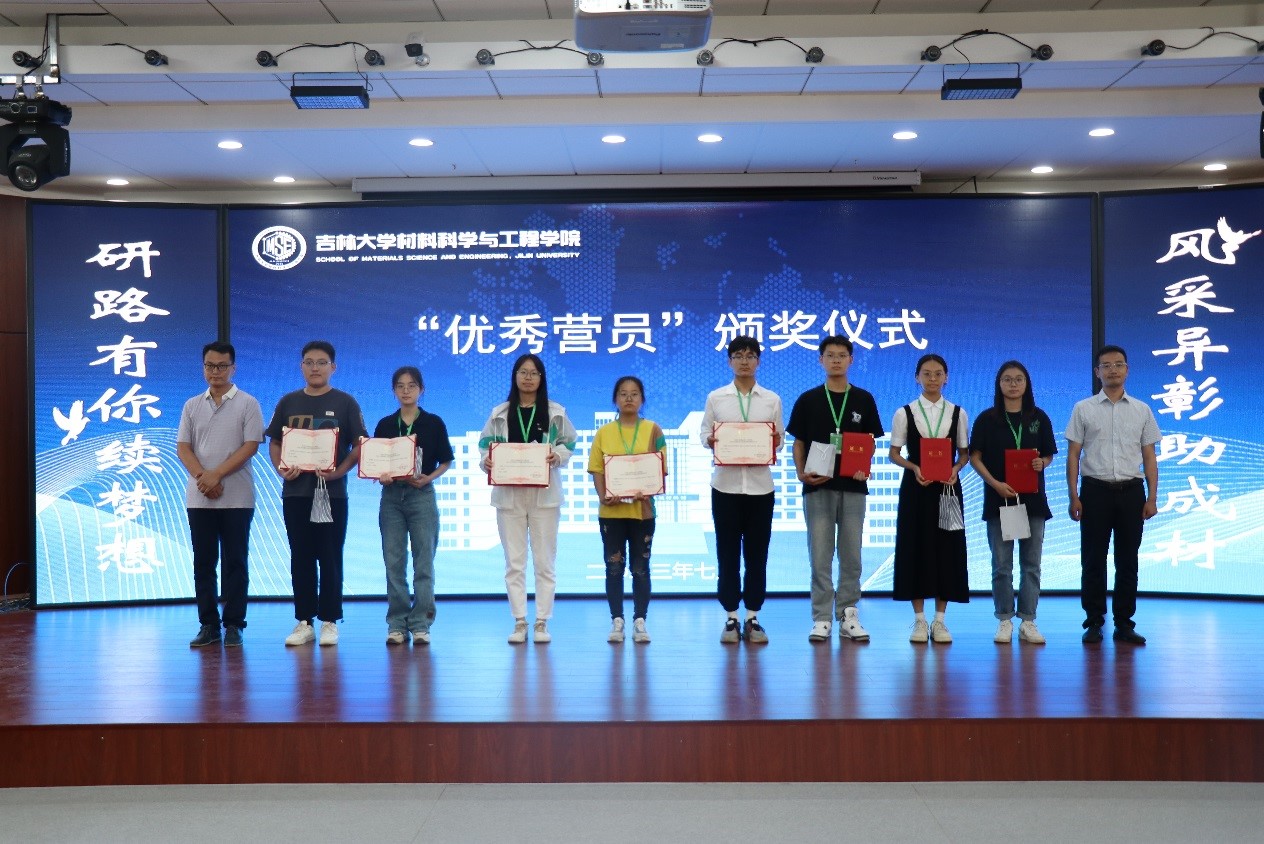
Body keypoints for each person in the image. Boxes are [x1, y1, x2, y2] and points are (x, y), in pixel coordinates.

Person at [266, 340, 367, 647]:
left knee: (330, 557)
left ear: (332, 367)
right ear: (301, 367)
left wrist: (339, 472)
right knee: (301, 556)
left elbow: (360, 445)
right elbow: (275, 442)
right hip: (296, 492)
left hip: (331, 495)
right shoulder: (288, 402)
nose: (315, 368)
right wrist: (281, 469)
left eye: (321, 362)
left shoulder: (345, 402)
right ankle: (304, 621)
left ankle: (330, 621)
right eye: (309, 362)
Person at [787, 336, 884, 643]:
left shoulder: (864, 399)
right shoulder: (808, 399)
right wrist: (801, 473)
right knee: (820, 555)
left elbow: (869, 443)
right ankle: (821, 618)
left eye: (842, 355)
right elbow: (798, 442)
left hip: (854, 487)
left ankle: (848, 615)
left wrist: (864, 465)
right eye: (830, 355)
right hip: (818, 486)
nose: (836, 360)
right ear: (821, 360)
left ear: (851, 360)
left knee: (852, 555)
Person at [479, 353, 577, 644]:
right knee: (514, 562)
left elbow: (569, 442)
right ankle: (520, 620)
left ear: (541, 378)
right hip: (509, 495)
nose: (528, 378)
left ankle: (542, 621)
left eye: (534, 373)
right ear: (515, 376)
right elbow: (485, 446)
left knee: (545, 562)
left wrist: (557, 456)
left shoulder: (555, 412)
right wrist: (487, 461)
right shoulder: (499, 413)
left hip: (544, 495)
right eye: (523, 372)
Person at [1065, 344, 1160, 646]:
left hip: (1131, 492)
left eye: (1118, 364)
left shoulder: (1142, 410)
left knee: (1127, 560)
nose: (1113, 370)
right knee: (1093, 559)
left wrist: (1152, 497)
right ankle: (1094, 621)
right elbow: (1073, 454)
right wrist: (1073, 495)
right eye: (1106, 365)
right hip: (1095, 491)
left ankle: (1124, 623)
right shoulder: (1083, 408)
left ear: (1127, 370)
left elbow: (1149, 456)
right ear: (1097, 372)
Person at [176, 341, 265, 648]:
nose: (215, 372)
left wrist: (216, 475)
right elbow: (183, 448)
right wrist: (204, 477)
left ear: (233, 368)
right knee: (203, 563)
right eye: (210, 366)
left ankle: (234, 624)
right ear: (204, 368)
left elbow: (250, 446)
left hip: (237, 497)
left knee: (236, 561)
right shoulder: (191, 405)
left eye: (222, 366)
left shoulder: (248, 403)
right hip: (200, 497)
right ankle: (209, 625)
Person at [700, 336, 785, 645]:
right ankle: (731, 617)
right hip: (725, 486)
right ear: (730, 361)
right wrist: (712, 440)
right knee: (727, 554)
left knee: (757, 555)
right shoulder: (716, 398)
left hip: (761, 488)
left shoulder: (771, 399)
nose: (744, 361)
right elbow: (704, 433)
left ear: (758, 361)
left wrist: (773, 442)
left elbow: (779, 439)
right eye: (738, 356)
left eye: (750, 356)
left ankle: (753, 616)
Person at [968, 360, 1057, 645]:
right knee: (1001, 565)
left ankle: (1028, 621)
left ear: (1027, 384)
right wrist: (994, 483)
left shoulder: (1039, 417)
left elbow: (1048, 454)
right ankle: (1004, 619)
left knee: (1032, 564)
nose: (1013, 384)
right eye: (1007, 379)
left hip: (1033, 501)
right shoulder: (987, 419)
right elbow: (974, 457)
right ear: (999, 384)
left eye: (1019, 379)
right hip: (1000, 499)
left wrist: (1042, 462)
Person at [888, 353, 970, 644]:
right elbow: (894, 453)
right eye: (926, 373)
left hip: (947, 489)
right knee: (915, 548)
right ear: (917, 377)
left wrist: (956, 469)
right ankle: (920, 621)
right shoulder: (904, 412)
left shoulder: (958, 412)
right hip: (917, 488)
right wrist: (913, 467)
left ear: (946, 378)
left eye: (938, 374)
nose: (932, 378)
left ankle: (940, 621)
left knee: (947, 549)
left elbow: (964, 454)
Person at [372, 366, 454, 646]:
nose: (406, 391)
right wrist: (381, 475)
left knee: (424, 562)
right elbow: (376, 461)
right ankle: (397, 623)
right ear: (393, 390)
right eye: (400, 386)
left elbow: (446, 460)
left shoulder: (433, 423)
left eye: (411, 386)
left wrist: (429, 478)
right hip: (392, 496)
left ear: (422, 390)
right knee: (393, 562)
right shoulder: (385, 424)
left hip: (421, 495)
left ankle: (421, 623)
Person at [588, 376, 666, 645]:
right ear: (615, 399)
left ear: (642, 399)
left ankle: (640, 620)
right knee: (613, 567)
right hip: (611, 513)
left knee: (640, 568)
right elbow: (597, 469)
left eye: (634, 394)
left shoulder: (653, 430)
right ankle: (617, 620)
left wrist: (649, 487)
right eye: (623, 393)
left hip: (642, 512)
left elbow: (661, 468)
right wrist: (603, 495)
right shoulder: (604, 432)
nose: (629, 398)